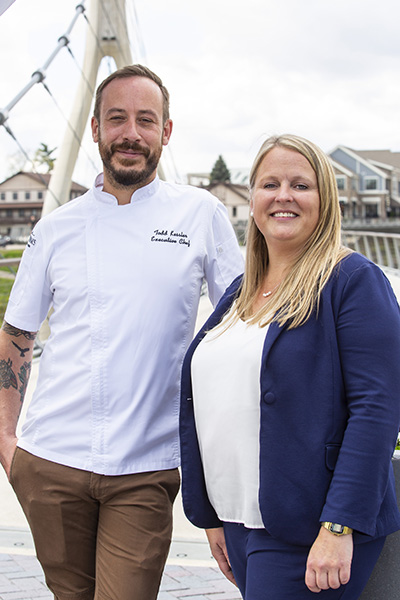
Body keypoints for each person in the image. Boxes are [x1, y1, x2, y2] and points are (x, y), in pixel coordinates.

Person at [0, 64, 243, 600]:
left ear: (166, 132)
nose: (131, 133)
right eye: (117, 119)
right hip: (50, 462)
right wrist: (7, 440)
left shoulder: (200, 216)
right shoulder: (57, 227)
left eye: (146, 120)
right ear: (94, 129)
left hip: (145, 468)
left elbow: (243, 321)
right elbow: (17, 334)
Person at [180, 133, 400, 599]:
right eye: (269, 184)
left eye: (300, 185)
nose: (283, 196)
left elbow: (377, 407)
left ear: (325, 200)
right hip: (238, 523)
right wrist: (212, 516)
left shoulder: (352, 281)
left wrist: (339, 526)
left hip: (311, 530)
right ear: (253, 198)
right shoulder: (239, 293)